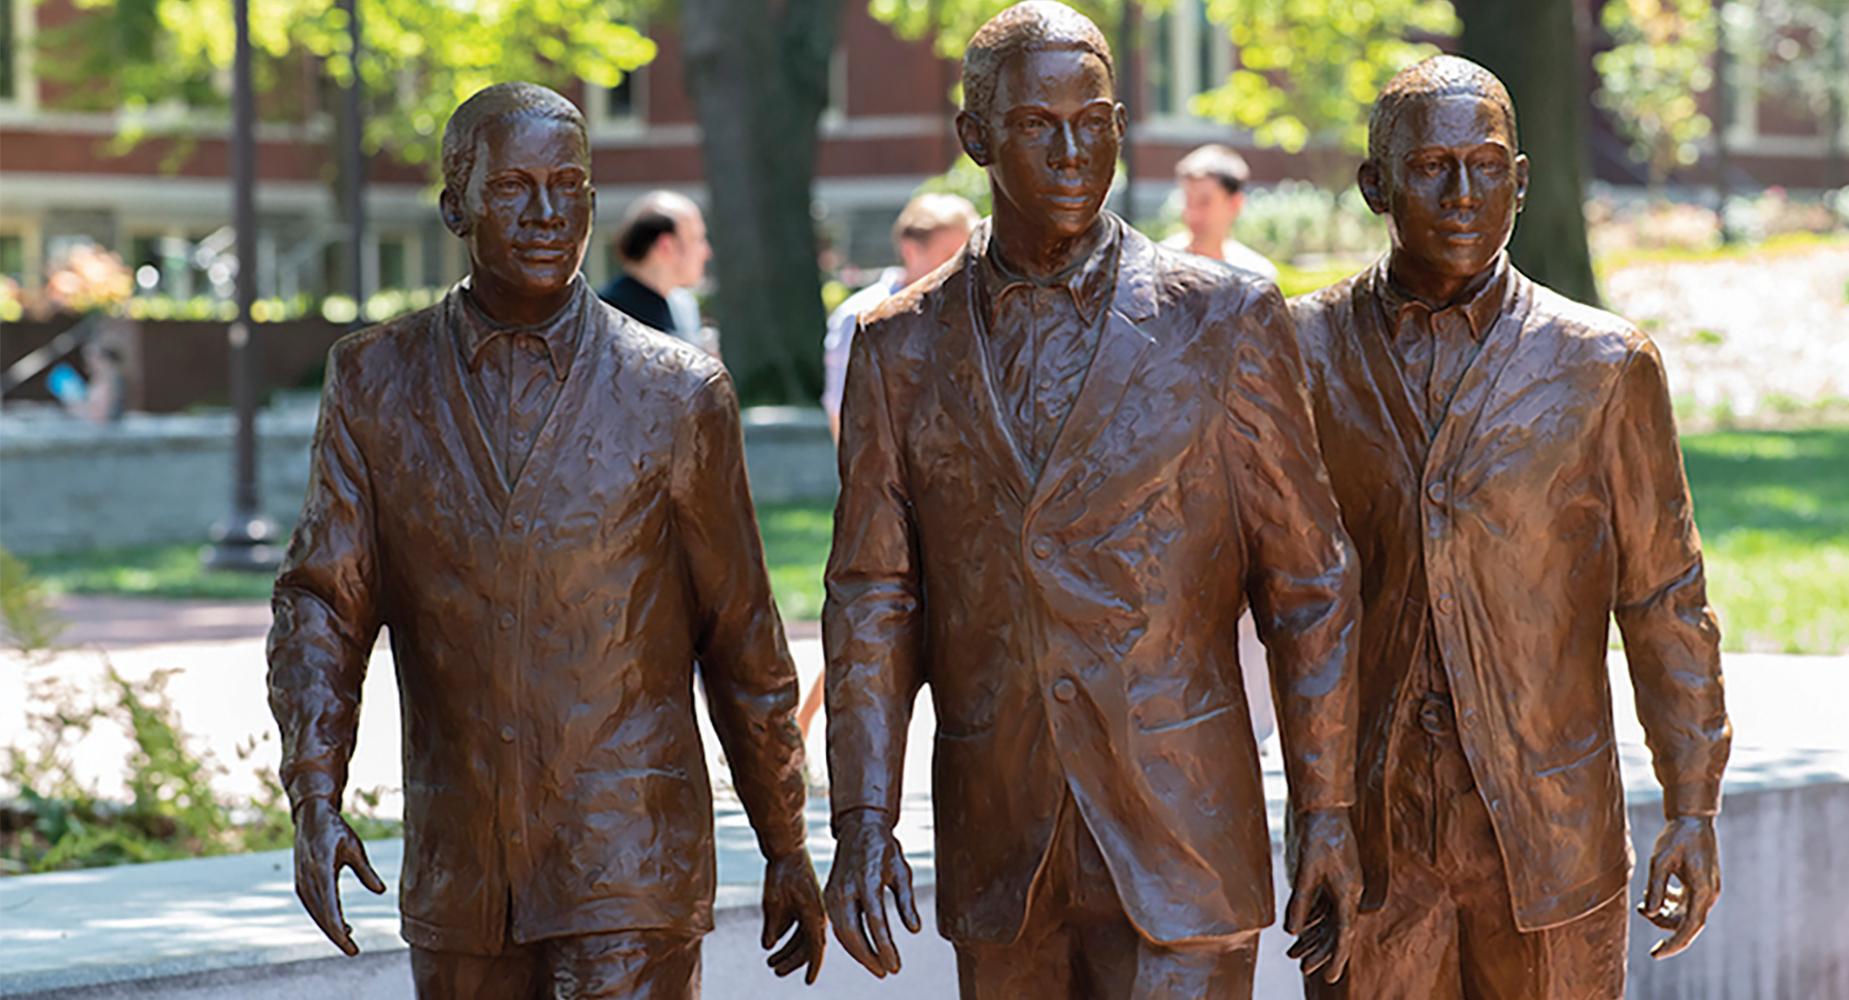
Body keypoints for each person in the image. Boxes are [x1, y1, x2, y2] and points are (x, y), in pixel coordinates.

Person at [819, 4, 1363, 997]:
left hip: (1184, 832)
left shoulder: (1225, 320)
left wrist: (1325, 809)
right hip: (1001, 836)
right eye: (1038, 125)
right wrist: (862, 815)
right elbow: (872, 600)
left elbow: (1308, 583)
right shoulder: (898, 348)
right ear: (975, 137)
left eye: (1094, 123)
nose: (1073, 153)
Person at [267, 82, 824, 999]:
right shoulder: (375, 381)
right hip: (464, 873)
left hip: (632, 864)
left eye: (568, 187)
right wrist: (315, 794)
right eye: (512, 187)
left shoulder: (677, 393)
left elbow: (742, 638)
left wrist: (786, 842)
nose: (545, 213)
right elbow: (323, 605)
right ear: (455, 206)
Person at [1289, 56, 1730, 998]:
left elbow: (1665, 598)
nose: (1462, 195)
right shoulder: (1301, 353)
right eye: (1430, 168)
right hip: (1373, 841)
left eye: (1487, 167)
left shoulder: (1601, 366)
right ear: (1375, 185)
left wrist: (1692, 802)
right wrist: (1315, 811)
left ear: (1521, 183)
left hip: (1551, 834)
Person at [821, 192, 979, 441]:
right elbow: (843, 412)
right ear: (910, 250)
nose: (962, 269)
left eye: (967, 258)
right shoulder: (862, 315)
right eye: (950, 257)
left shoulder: (973, 313)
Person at [598, 190, 716, 355]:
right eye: (697, 239)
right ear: (666, 246)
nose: (707, 252)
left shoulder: (684, 307)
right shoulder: (607, 317)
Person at [1161, 143, 1278, 281]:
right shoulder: (1161, 265)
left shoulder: (1255, 276)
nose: (1193, 213)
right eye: (1188, 200)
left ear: (1235, 204)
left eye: (1204, 202)